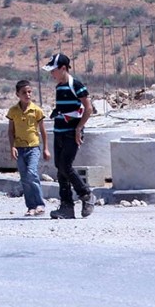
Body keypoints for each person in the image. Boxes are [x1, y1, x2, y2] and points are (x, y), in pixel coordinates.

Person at [43, 53, 95, 219]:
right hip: (58, 132)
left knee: (66, 166)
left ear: (63, 68)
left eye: (54, 70)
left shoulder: (77, 85)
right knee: (60, 169)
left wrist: (79, 128)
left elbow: (88, 108)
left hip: (72, 134)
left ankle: (86, 194)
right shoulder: (59, 87)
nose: (52, 74)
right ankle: (66, 207)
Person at [7, 79, 50, 217]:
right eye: (24, 92)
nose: (28, 95)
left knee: (32, 173)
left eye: (30, 92)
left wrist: (45, 148)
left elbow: (43, 131)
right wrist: (12, 147)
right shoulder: (13, 111)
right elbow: (10, 131)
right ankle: (31, 206)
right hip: (19, 148)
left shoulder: (36, 110)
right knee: (24, 178)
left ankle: (40, 204)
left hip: (33, 148)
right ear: (17, 94)